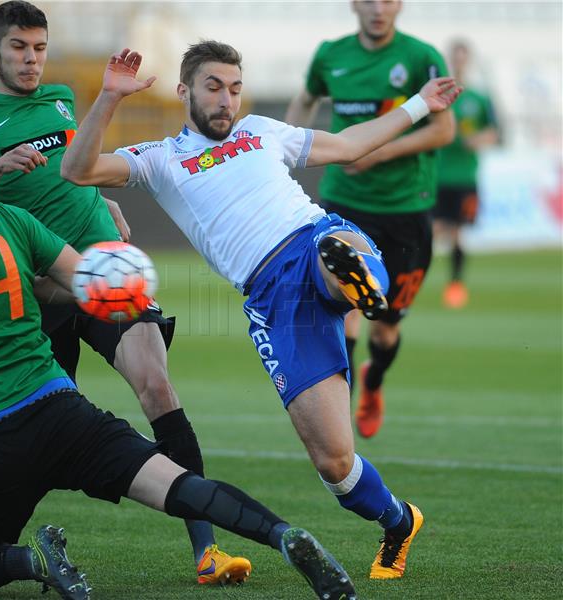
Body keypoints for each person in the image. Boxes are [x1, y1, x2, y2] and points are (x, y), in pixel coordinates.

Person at [0, 110, 359, 600]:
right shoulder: (13, 223)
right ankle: (283, 534)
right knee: (180, 487)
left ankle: (31, 563)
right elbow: (94, 284)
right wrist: (124, 266)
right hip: (66, 412)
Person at [60, 42, 459, 580]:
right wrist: (109, 97)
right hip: (271, 299)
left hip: (310, 238)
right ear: (184, 91)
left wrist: (418, 103)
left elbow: (345, 145)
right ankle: (398, 520)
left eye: (235, 88)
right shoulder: (159, 159)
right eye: (214, 87)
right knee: (336, 467)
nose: (227, 99)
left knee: (332, 250)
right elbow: (77, 169)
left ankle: (361, 282)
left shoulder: (262, 132)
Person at [0, 2, 250, 582]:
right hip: (38, 291)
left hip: (104, 270)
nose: (31, 60)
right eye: (18, 49)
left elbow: (72, 169)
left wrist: (99, 199)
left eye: (38, 48)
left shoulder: (59, 97)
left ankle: (207, 552)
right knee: (35, 437)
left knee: (157, 385)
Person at [285, 0, 454, 438]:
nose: (379, 9)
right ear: (355, 5)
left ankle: (373, 382)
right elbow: (305, 100)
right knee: (346, 309)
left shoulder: (421, 57)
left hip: (405, 209)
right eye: (370, 0)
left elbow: (443, 130)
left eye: (389, 0)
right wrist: (280, 153)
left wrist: (376, 152)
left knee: (386, 329)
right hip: (347, 204)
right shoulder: (330, 55)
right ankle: (338, 429)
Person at [435, 40, 499, 309]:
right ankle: (408, 282)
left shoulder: (479, 99)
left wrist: (478, 139)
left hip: (465, 178)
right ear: (450, 60)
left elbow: (493, 133)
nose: (459, 62)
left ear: (468, 60)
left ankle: (455, 285)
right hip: (437, 177)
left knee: (458, 234)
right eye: (455, 57)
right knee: (432, 231)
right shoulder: (437, 97)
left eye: (463, 57)